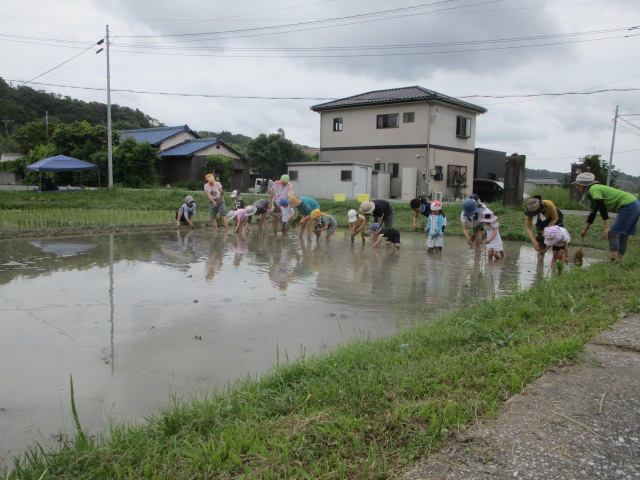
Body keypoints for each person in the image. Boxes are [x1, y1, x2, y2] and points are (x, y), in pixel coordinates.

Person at [574, 172, 640, 262]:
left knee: (612, 233)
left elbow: (601, 207)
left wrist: (607, 227)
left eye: (578, 185)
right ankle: (618, 261)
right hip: (635, 204)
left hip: (628, 205)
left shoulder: (593, 189)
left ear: (583, 184)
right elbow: (593, 213)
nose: (578, 188)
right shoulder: (594, 190)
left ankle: (614, 262)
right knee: (623, 235)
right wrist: (585, 230)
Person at [525, 195, 565, 262]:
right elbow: (529, 228)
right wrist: (534, 242)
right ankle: (540, 263)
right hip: (541, 221)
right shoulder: (530, 212)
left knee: (558, 236)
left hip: (554, 218)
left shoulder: (549, 205)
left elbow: (555, 218)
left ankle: (559, 259)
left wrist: (546, 230)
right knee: (540, 241)